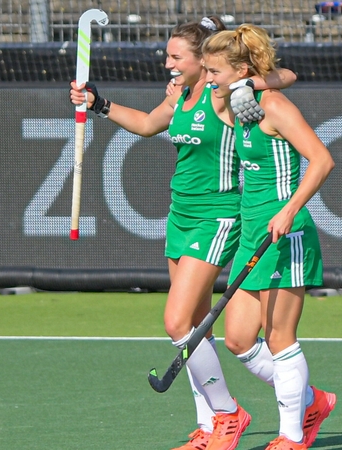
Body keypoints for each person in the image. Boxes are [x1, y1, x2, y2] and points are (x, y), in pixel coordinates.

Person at [70, 17, 296, 450]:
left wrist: (251, 86)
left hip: (217, 217)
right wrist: (98, 103)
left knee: (176, 321)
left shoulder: (223, 94)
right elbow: (146, 123)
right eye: (167, 55)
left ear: (201, 61)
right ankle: (212, 425)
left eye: (177, 57)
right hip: (181, 216)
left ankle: (230, 414)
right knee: (196, 327)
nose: (167, 63)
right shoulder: (182, 97)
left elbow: (286, 75)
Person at [203, 24, 337, 450]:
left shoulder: (274, 106)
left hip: (286, 235)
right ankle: (311, 401)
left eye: (214, 71)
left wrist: (289, 209)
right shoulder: (237, 103)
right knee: (239, 339)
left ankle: (291, 436)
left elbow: (321, 160)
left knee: (280, 339)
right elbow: (276, 73)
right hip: (252, 238)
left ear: (241, 69)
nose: (208, 79)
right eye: (205, 70)